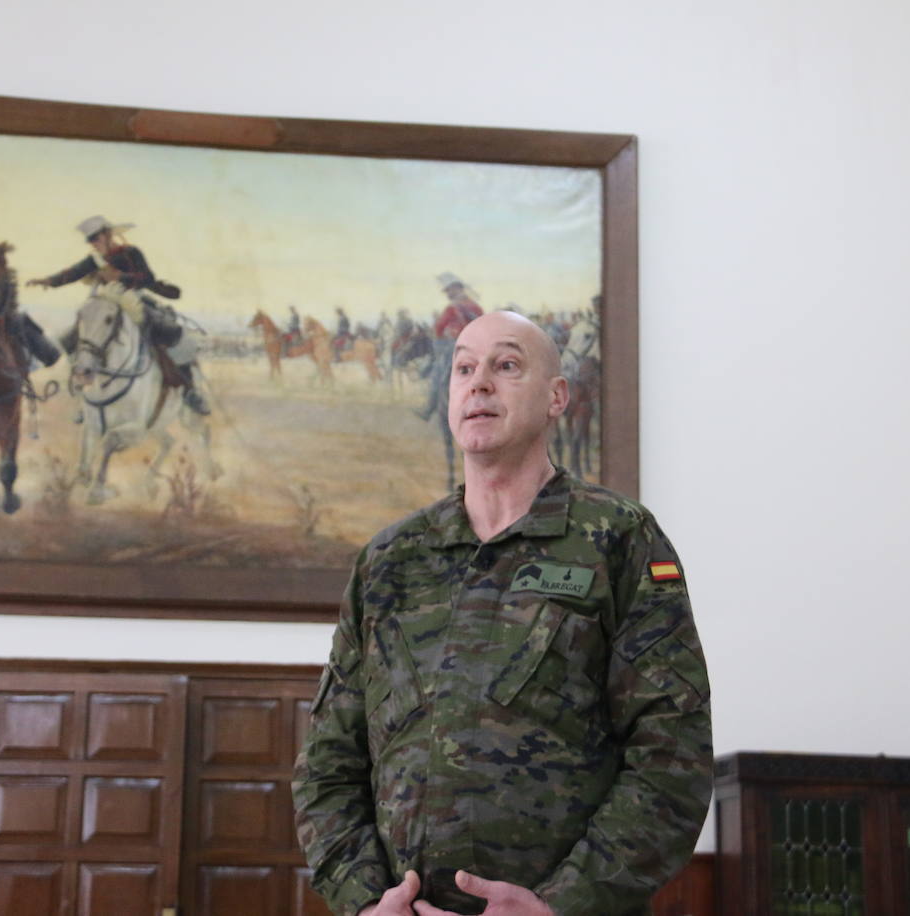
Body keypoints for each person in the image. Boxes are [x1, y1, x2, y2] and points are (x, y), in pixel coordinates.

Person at [292, 310, 712, 915]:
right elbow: (327, 766)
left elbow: (673, 756)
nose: (478, 382)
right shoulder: (389, 561)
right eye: (463, 367)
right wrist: (365, 903)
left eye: (506, 365)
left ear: (556, 397)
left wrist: (562, 904)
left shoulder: (618, 538)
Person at [27, 215, 208, 415]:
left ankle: (190, 392)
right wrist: (47, 281)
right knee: (72, 338)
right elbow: (72, 273)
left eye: (96, 238)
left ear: (107, 235)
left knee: (172, 333)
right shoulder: (94, 260)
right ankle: (82, 393)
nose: (93, 244)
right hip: (104, 307)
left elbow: (147, 278)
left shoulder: (131, 253)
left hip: (133, 303)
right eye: (90, 240)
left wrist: (120, 277)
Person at [417, 273, 485, 421]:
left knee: (437, 376)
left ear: (458, 288)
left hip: (460, 348)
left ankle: (429, 409)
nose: (448, 293)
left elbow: (439, 329)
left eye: (450, 290)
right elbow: (439, 328)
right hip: (462, 347)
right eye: (447, 291)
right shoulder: (462, 307)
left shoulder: (464, 307)